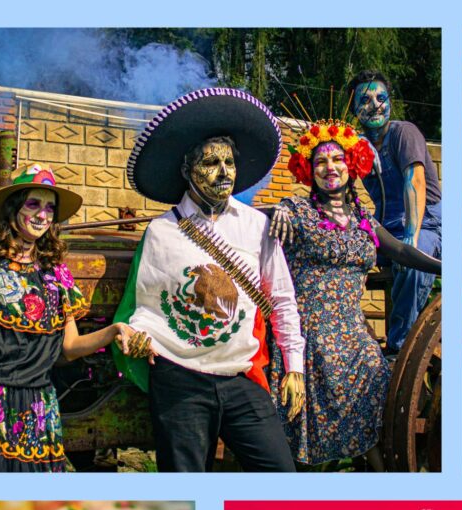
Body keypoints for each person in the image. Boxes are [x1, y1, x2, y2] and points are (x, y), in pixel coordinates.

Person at [114, 88, 306, 472]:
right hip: (179, 378)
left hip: (239, 376)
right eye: (211, 162)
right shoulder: (161, 231)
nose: (224, 172)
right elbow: (146, 302)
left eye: (229, 162)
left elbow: (282, 300)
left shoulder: (257, 226)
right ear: (187, 170)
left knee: (280, 476)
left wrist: (294, 366)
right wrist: (139, 335)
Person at [0, 166, 141, 472]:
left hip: (36, 413)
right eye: (33, 204)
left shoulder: (56, 276)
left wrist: (114, 330)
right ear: (12, 208)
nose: (42, 215)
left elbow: (70, 347)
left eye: (50, 208)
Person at [269, 120, 441, 470]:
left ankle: (384, 481)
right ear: (309, 170)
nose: (329, 167)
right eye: (320, 161)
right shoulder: (296, 212)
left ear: (352, 165)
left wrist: (447, 268)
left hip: (353, 334)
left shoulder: (365, 221)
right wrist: (277, 210)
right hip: (308, 335)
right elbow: (252, 223)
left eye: (337, 159)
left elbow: (402, 252)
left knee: (379, 380)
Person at [347, 70, 442, 354]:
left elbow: (415, 181)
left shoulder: (403, 133)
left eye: (381, 97)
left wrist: (409, 241)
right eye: (365, 100)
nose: (374, 105)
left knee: (413, 262)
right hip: (385, 228)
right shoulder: (357, 147)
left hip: (426, 222)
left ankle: (399, 349)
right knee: (340, 255)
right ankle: (355, 337)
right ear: (354, 109)